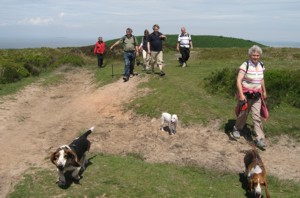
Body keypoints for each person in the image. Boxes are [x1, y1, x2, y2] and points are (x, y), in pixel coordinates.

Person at [232, 45, 269, 150]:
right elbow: (239, 80)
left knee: (257, 117)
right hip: (246, 95)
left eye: (257, 55)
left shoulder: (261, 65)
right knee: (243, 114)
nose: (255, 57)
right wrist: (242, 95)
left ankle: (260, 139)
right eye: (253, 55)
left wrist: (264, 91)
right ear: (250, 55)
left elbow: (261, 79)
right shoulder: (245, 65)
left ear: (260, 55)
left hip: (257, 95)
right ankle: (236, 129)